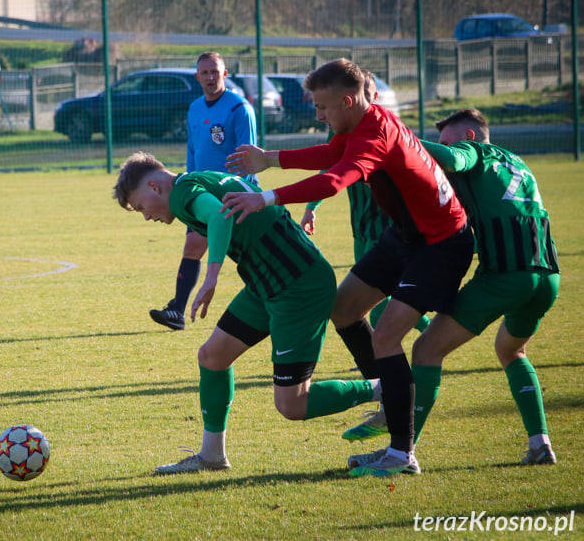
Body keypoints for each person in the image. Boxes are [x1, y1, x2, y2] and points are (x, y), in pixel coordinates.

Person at [221, 59, 473, 477]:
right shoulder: (361, 122)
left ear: (347, 99)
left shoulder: (373, 134)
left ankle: (401, 453)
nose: (317, 115)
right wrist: (270, 158)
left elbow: (335, 179)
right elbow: (329, 153)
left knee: (388, 337)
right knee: (343, 310)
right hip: (409, 235)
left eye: (322, 107)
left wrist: (265, 197)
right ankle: (384, 391)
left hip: (440, 243)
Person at [113, 152, 382, 474]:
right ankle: (212, 456)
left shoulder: (184, 193)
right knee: (212, 356)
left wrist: (211, 276)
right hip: (267, 281)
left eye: (141, 207)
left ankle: (386, 388)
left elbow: (220, 216)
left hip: (297, 285)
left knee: (292, 404)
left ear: (154, 187)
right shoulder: (195, 181)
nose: (145, 216)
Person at [344, 109, 560, 465]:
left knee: (426, 350)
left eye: (446, 141)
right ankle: (540, 444)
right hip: (547, 276)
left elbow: (457, 158)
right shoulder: (515, 161)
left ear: (470, 138)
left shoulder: (474, 154)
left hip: (505, 276)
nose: (442, 149)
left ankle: (402, 452)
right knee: (511, 351)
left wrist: (402, 140)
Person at [300, 71, 431, 336]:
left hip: (386, 227)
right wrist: (311, 208)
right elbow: (328, 172)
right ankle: (384, 358)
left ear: (373, 96)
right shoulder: (341, 132)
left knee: (380, 303)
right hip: (360, 228)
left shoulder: (384, 130)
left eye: (367, 96)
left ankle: (415, 343)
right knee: (365, 299)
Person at [149, 52, 257, 331]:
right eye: (205, 73)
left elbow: (249, 157)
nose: (210, 77)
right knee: (193, 246)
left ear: (225, 73)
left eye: (215, 72)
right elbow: (193, 150)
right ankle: (177, 310)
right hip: (201, 194)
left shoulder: (239, 109)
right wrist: (188, 183)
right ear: (197, 77)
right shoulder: (195, 108)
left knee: (249, 255)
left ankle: (269, 296)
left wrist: (239, 192)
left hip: (235, 195)